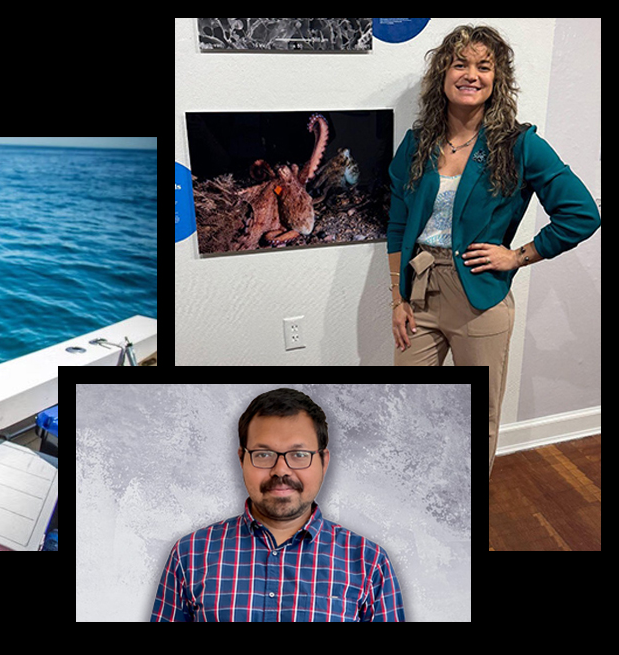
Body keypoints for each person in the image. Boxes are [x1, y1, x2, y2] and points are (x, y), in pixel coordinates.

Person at [386, 25, 600, 477]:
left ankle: (466, 509)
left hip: (480, 297)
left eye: (484, 66)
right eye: (460, 63)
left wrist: (518, 255)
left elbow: (581, 212)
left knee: (476, 414)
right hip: (419, 291)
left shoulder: (519, 144)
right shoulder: (417, 143)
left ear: (497, 78)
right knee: (404, 403)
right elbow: (399, 224)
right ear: (442, 73)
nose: (471, 74)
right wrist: (397, 299)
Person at [151, 388, 402, 622]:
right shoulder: (190, 554)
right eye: (263, 455)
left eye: (299, 455)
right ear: (242, 459)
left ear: (323, 461)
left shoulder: (369, 562)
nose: (280, 470)